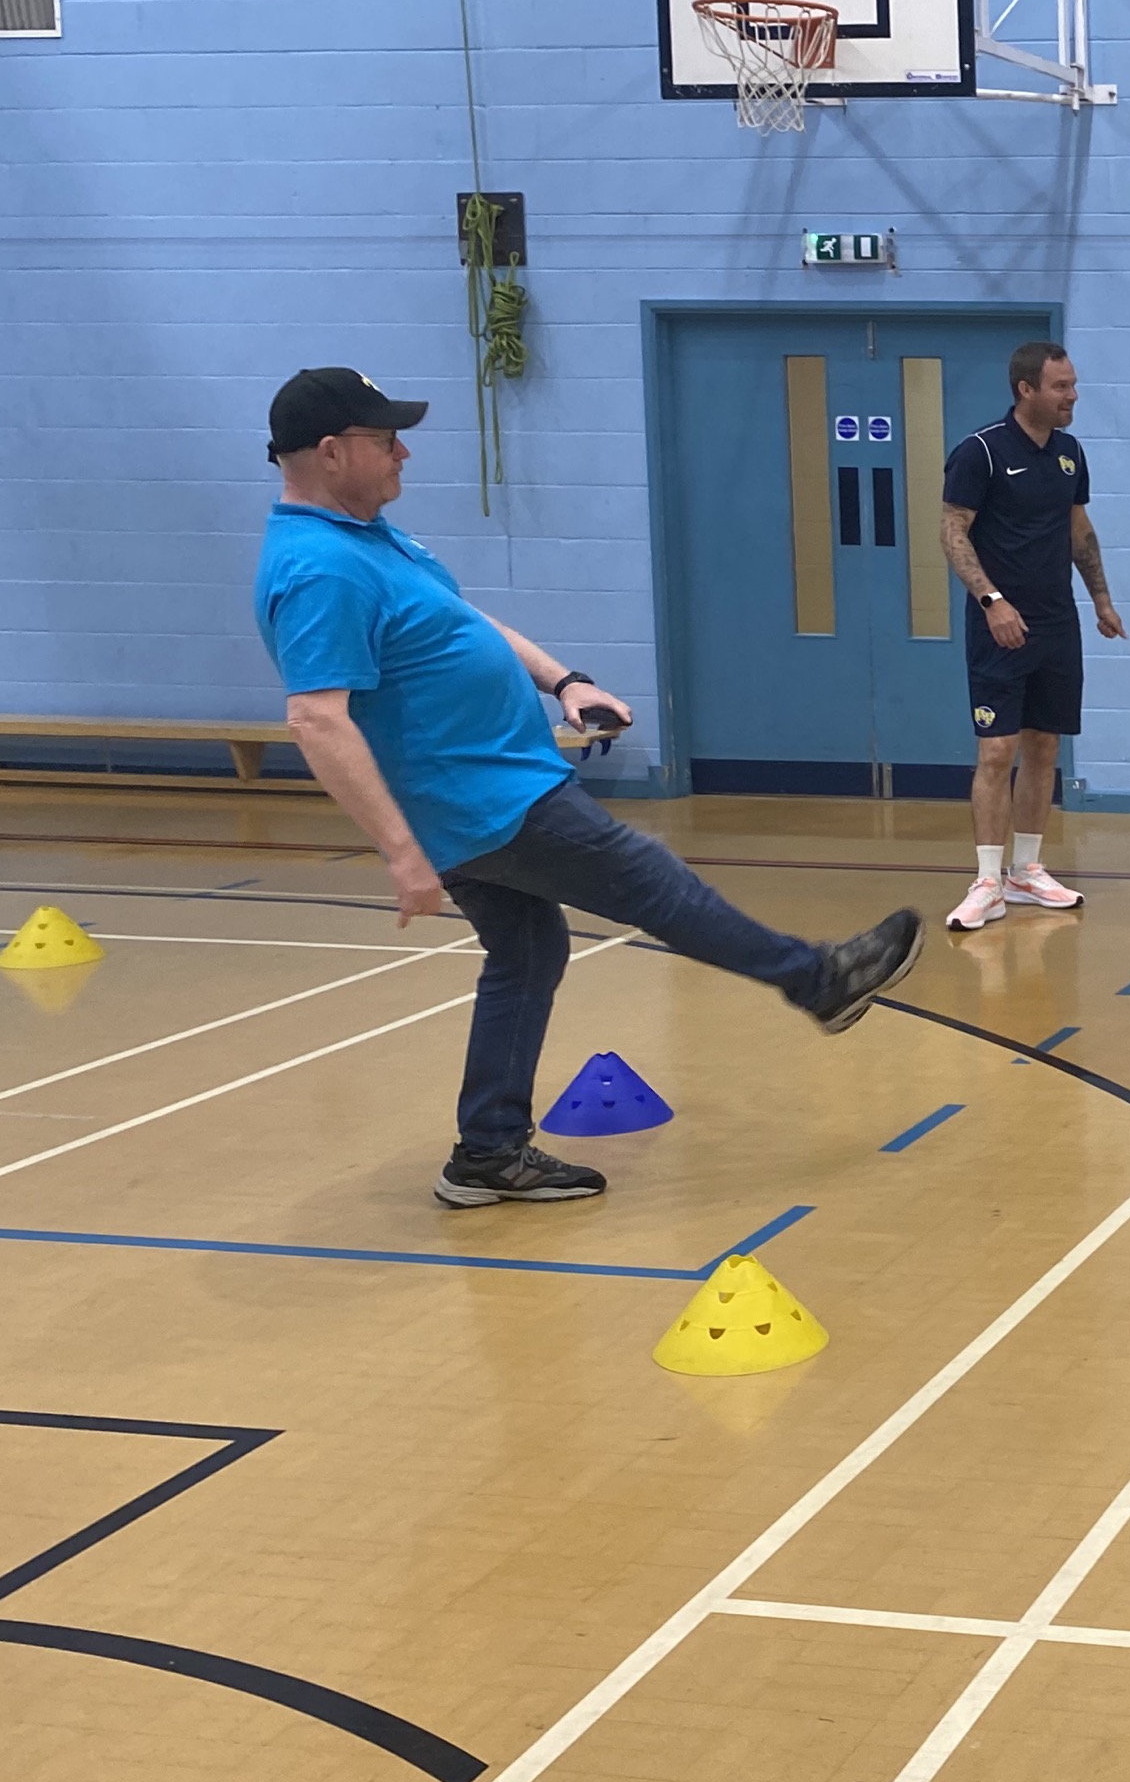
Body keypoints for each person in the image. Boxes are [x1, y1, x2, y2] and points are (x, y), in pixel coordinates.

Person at [251, 366, 923, 1208]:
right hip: (487, 804)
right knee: (656, 884)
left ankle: (488, 1152)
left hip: (489, 792)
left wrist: (565, 681)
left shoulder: (366, 539)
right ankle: (816, 980)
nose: (404, 453)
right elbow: (317, 719)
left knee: (530, 951)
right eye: (386, 441)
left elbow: (464, 624)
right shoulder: (320, 570)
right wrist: (401, 854)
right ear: (330, 452)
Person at [937, 340, 1125, 931]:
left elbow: (1078, 529)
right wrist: (991, 601)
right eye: (1061, 387)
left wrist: (1100, 597)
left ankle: (1026, 870)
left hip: (1056, 623)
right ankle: (987, 881)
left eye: (1072, 385)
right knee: (998, 751)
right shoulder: (981, 452)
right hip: (1001, 624)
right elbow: (952, 532)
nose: (1073, 396)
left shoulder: (1070, 453)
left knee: (1045, 748)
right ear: (1027, 390)